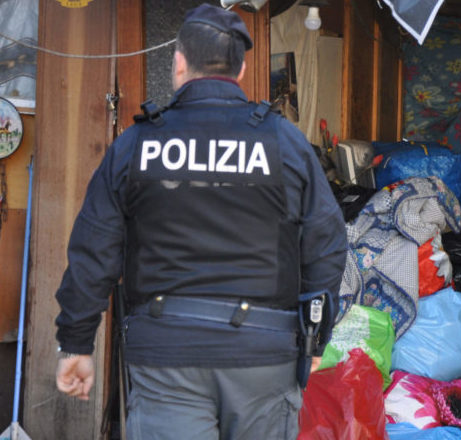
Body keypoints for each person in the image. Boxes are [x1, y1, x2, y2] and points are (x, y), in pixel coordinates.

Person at [52, 4, 347, 439]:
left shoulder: (137, 145)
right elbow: (326, 244)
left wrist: (76, 343)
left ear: (179, 62)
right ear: (243, 69)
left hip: (167, 357)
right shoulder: (285, 143)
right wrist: (315, 338)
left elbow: (94, 250)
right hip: (264, 359)